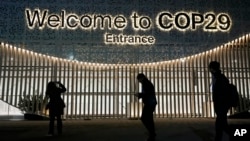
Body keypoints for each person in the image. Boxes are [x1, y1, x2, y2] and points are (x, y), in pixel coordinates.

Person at [209, 61, 231, 141]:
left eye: (210, 68)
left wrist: (221, 105)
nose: (209, 70)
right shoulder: (218, 77)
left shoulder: (220, 78)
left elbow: (222, 94)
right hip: (221, 106)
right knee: (223, 125)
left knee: (220, 125)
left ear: (212, 68)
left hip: (222, 106)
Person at [135, 73, 157, 141]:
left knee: (144, 118)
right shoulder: (146, 83)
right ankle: (152, 133)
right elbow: (147, 93)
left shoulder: (146, 84)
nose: (139, 81)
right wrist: (140, 95)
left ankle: (151, 133)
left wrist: (139, 95)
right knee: (149, 119)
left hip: (149, 103)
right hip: (151, 103)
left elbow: (147, 94)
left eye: (139, 80)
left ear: (142, 78)